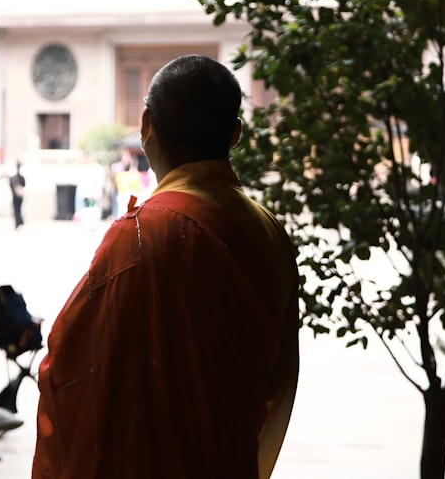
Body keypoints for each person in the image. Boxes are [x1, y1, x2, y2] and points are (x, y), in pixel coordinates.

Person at [31, 54, 300, 478]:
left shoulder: (140, 237)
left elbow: (70, 370)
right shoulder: (270, 234)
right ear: (235, 135)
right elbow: (278, 381)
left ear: (145, 126)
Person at [9, 160, 25, 229]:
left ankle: (19, 222)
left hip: (18, 196)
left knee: (18, 209)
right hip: (15, 196)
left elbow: (23, 185)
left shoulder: (20, 177)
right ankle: (18, 222)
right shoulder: (14, 177)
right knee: (16, 210)